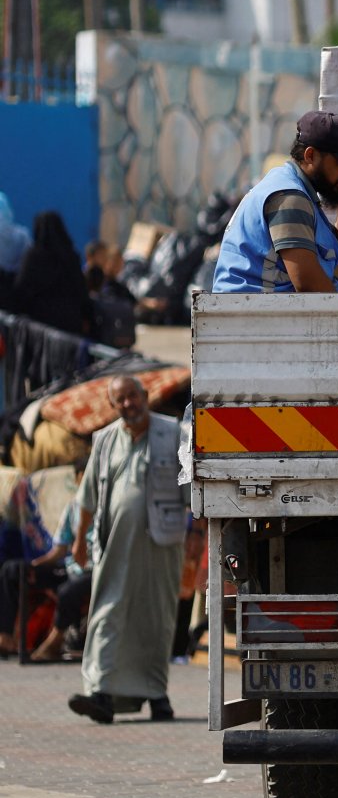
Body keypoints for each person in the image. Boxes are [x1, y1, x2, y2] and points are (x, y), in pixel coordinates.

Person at [67, 376, 186, 724]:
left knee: (156, 615)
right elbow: (87, 497)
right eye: (120, 400)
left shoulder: (174, 433)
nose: (129, 404)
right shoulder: (104, 441)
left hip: (161, 541)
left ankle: (156, 695)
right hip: (114, 541)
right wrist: (79, 540)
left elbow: (191, 489)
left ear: (145, 396)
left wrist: (196, 535)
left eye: (133, 396)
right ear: (113, 406)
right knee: (107, 612)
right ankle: (100, 692)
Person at [212, 112, 338, 293]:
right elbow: (309, 285)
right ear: (310, 156)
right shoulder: (289, 199)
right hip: (257, 315)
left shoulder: (297, 189)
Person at [0, 456, 93, 661]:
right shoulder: (73, 508)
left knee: (68, 591)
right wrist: (34, 566)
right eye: (84, 477)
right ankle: (5, 636)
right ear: (77, 480)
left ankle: (54, 642)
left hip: (95, 571)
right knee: (13, 570)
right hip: (70, 568)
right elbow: (59, 551)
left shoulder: (109, 508)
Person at [12, 211, 93, 335]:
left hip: (40, 327)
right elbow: (81, 290)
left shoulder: (34, 258)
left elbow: (22, 289)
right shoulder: (71, 257)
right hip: (70, 324)